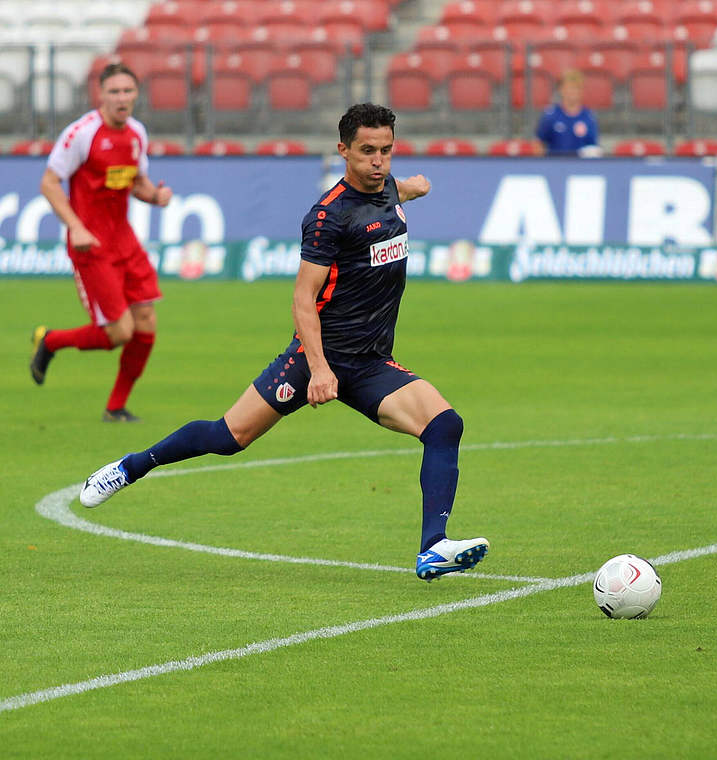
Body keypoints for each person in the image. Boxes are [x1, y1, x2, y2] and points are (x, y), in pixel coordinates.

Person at [78, 103, 489, 582]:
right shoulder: (327, 218)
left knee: (444, 426)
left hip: (372, 364)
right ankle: (129, 467)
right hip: (316, 359)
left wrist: (419, 186)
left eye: (386, 150)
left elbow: (408, 187)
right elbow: (302, 298)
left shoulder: (390, 188)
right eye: (367, 151)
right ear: (343, 151)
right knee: (229, 437)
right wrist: (318, 369)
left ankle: (433, 548)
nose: (378, 161)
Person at [30, 62, 174, 422]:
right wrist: (75, 227)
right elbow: (49, 183)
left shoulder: (137, 133)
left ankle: (116, 407)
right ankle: (50, 341)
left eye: (127, 91)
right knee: (119, 332)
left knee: (146, 326)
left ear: (136, 95)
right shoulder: (82, 133)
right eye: (114, 92)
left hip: (125, 240)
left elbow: (136, 182)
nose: (121, 98)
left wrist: (154, 196)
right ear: (101, 95)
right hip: (90, 246)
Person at [534, 68, 599, 157]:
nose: (572, 92)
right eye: (569, 88)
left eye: (576, 88)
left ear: (581, 91)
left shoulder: (588, 117)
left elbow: (593, 147)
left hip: (580, 167)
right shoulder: (551, 115)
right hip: (555, 166)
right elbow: (539, 145)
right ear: (561, 89)